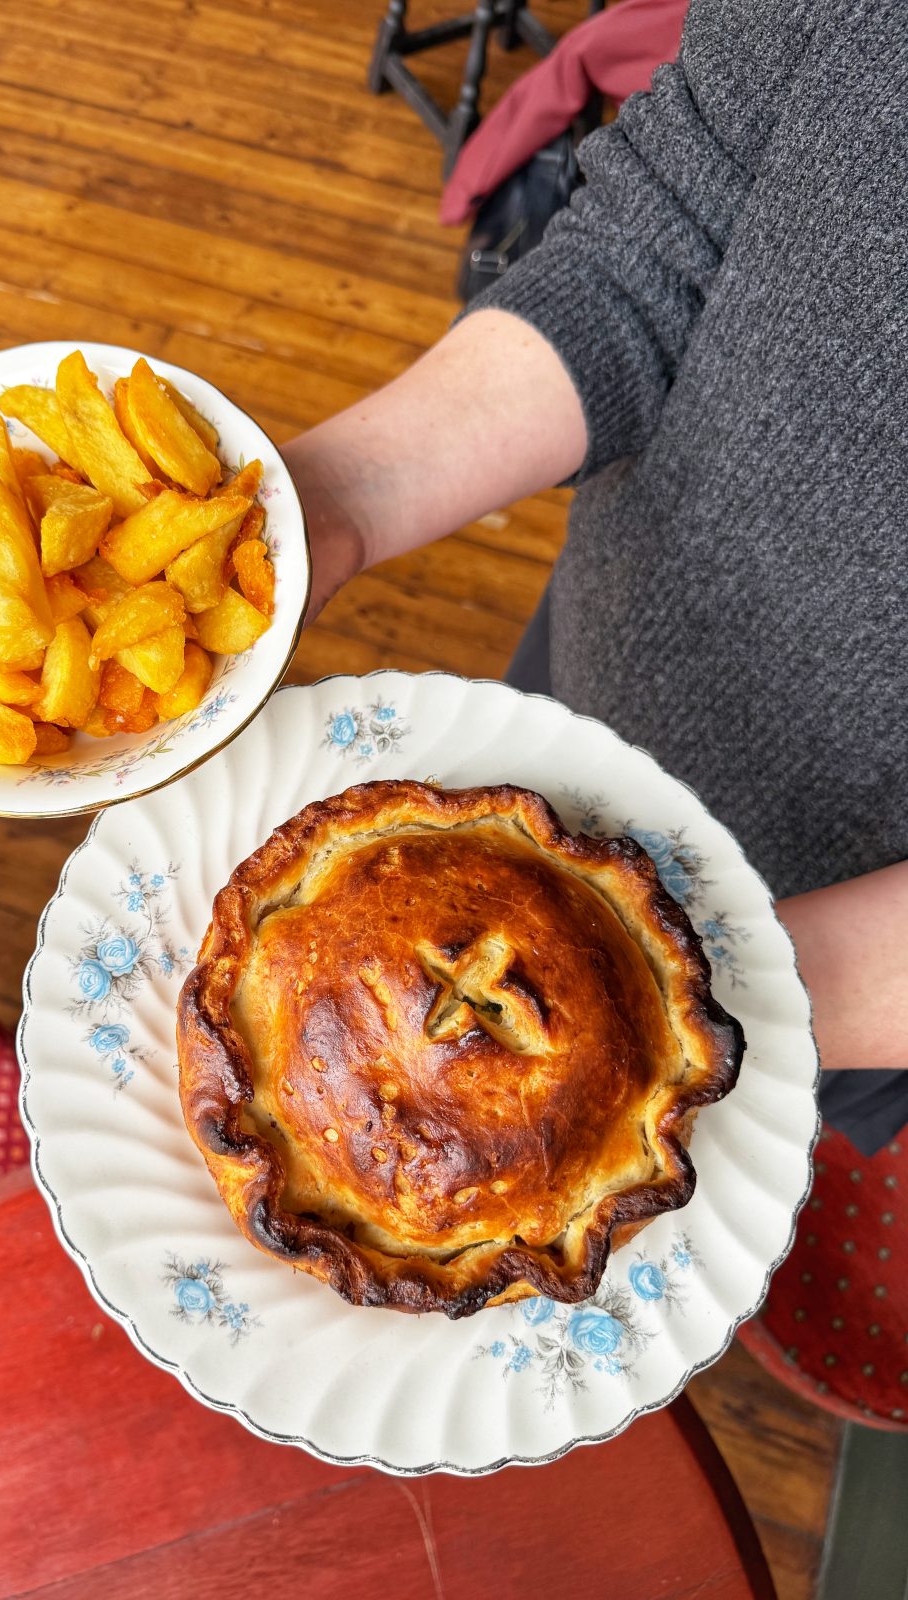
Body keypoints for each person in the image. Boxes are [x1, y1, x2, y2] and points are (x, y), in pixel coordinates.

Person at [283, 0, 908, 1153]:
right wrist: (325, 503)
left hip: (844, 962)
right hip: (602, 662)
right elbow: (666, 231)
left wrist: (685, 990)